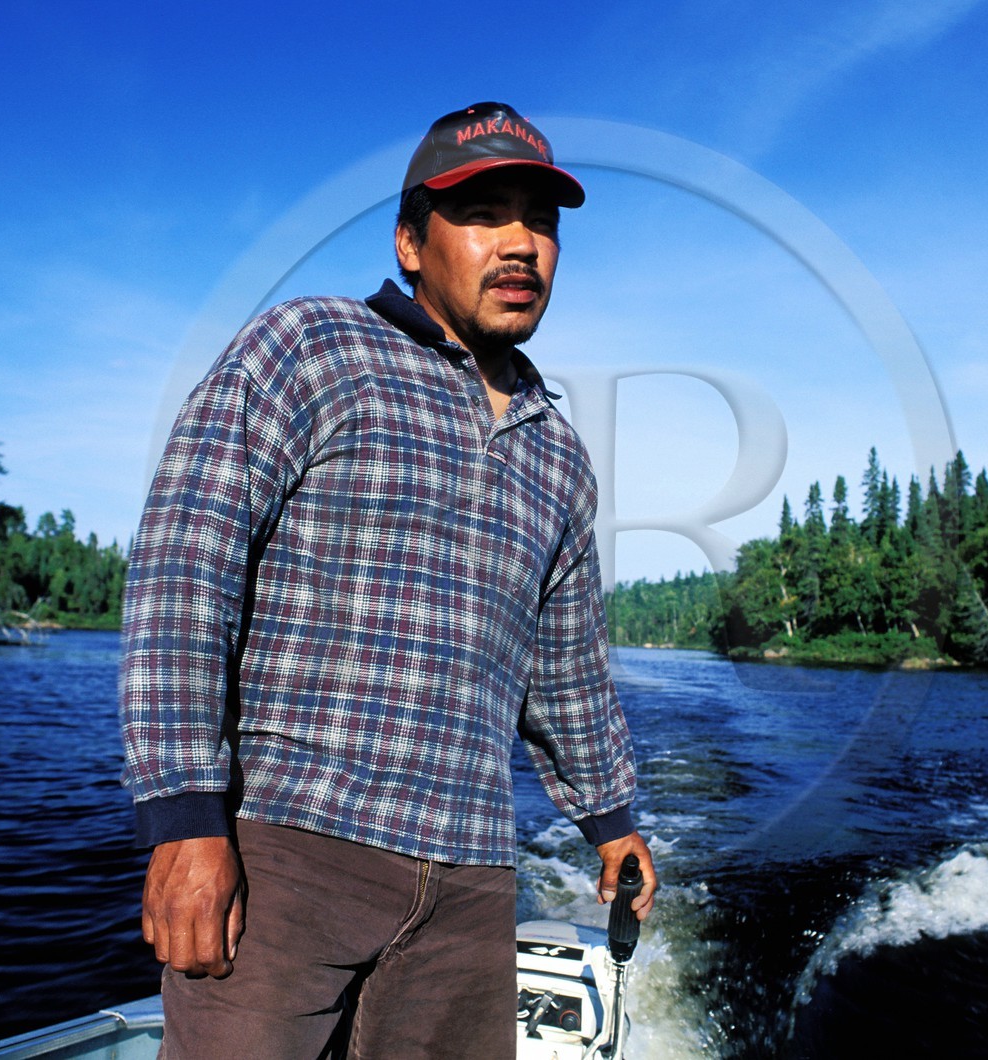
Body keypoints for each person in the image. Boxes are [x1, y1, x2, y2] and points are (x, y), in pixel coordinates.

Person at [118, 101, 658, 1059]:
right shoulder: (310, 348)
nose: (521, 244)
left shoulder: (559, 451)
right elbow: (184, 567)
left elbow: (567, 668)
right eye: (483, 214)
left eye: (540, 222)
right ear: (411, 242)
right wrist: (185, 818)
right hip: (288, 853)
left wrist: (610, 821)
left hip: (471, 880)